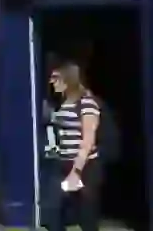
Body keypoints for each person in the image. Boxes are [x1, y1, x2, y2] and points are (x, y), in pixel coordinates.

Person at [44, 61, 102, 231]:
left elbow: (88, 139)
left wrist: (76, 172)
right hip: (64, 162)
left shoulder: (87, 102)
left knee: (86, 216)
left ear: (68, 79)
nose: (51, 82)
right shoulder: (63, 103)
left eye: (56, 78)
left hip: (84, 167)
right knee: (54, 214)